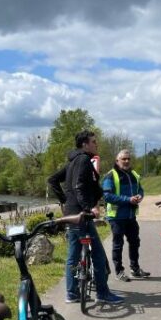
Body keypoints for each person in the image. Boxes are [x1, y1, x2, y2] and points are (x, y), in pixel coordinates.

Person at [47, 130, 124, 305]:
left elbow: (52, 180)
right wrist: (89, 207)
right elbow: (79, 186)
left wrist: (66, 202)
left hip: (71, 213)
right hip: (81, 215)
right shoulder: (82, 160)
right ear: (84, 144)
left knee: (73, 255)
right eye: (93, 141)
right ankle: (103, 293)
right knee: (97, 253)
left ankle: (71, 293)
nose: (96, 144)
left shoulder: (73, 161)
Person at [102, 150, 150, 281]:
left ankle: (135, 269)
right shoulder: (111, 175)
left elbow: (140, 189)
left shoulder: (133, 174)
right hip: (116, 217)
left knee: (135, 242)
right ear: (117, 161)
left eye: (128, 159)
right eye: (123, 159)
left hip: (130, 216)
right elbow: (107, 196)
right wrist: (127, 199)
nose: (127, 161)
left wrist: (140, 195)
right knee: (118, 244)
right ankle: (119, 272)